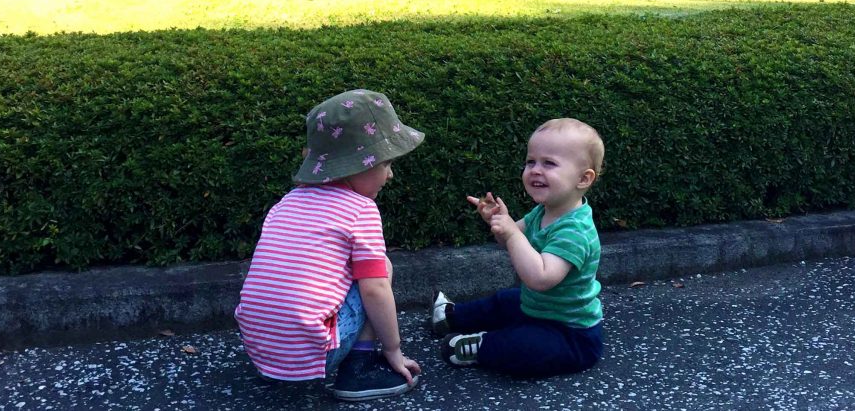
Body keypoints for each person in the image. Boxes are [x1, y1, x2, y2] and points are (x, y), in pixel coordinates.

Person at [235, 89, 424, 401]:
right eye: (386, 163)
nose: (389, 175)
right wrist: (393, 350)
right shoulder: (360, 210)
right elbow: (375, 288)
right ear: (359, 165)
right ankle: (358, 370)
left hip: (259, 348)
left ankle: (281, 363)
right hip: (318, 352)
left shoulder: (286, 203)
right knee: (378, 270)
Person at [431, 118, 604, 377]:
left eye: (549, 163)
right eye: (530, 161)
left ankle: (483, 346)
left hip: (570, 333)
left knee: (526, 346)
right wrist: (500, 224)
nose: (535, 169)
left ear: (583, 178)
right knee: (505, 301)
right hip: (537, 307)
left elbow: (540, 278)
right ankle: (452, 317)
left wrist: (512, 233)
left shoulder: (575, 231)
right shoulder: (544, 211)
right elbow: (510, 241)